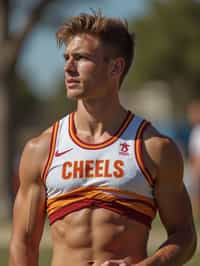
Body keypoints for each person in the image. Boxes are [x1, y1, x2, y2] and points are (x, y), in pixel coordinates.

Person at [9, 11, 197, 266]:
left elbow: (185, 235)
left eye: (81, 58)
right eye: (66, 58)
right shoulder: (41, 149)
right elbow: (23, 242)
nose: (68, 67)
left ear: (115, 67)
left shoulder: (154, 149)